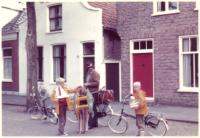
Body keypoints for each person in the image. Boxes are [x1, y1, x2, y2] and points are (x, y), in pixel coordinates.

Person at [84, 61, 100, 129]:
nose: (89, 68)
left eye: (90, 67)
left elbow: (96, 83)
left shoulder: (95, 73)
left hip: (94, 93)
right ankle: (95, 123)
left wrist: (87, 84)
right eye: (88, 67)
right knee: (93, 108)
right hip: (90, 92)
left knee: (91, 108)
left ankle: (91, 124)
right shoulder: (88, 73)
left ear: (92, 66)